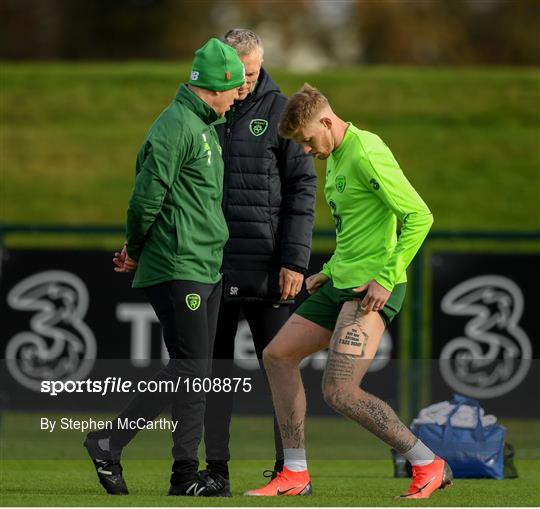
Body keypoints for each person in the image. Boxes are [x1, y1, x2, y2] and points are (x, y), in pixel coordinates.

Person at [245, 84, 453, 499]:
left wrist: (386, 277)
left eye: (307, 139)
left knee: (340, 392)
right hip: (343, 282)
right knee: (277, 355)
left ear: (326, 121)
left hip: (372, 289)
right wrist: (329, 270)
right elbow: (357, 230)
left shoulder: (366, 151)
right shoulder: (337, 157)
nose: (306, 150)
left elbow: (418, 216)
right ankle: (295, 473)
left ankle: (428, 462)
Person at [83, 38, 245, 497]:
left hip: (205, 264)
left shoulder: (205, 125)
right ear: (218, 85)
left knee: (195, 369)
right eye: (236, 87)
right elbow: (145, 198)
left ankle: (183, 477)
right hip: (180, 264)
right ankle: (108, 441)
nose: (239, 96)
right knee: (191, 368)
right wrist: (135, 247)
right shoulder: (176, 126)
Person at [201, 29, 316, 491]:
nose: (245, 83)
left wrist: (294, 259)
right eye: (238, 74)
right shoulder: (207, 110)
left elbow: (302, 191)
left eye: (252, 73)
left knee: (281, 372)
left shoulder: (280, 111)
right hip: (212, 267)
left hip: (270, 272)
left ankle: (290, 470)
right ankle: (216, 472)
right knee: (215, 378)